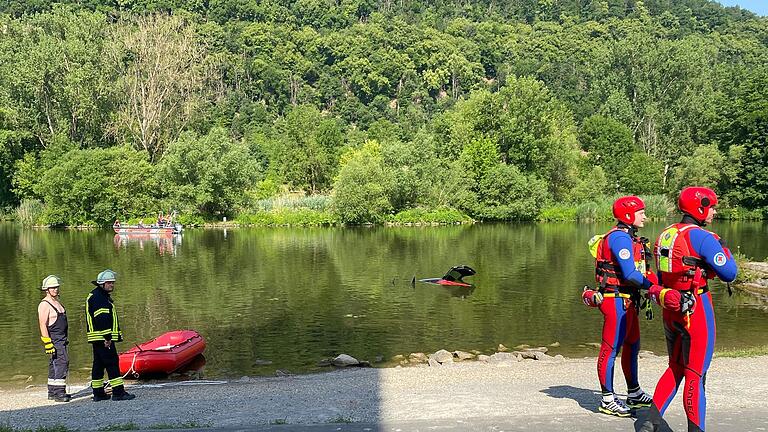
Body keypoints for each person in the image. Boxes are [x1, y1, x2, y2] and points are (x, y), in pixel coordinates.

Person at [640, 187, 737, 432]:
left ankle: (650, 421)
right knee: (695, 374)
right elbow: (730, 273)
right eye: (712, 207)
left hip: (670, 307)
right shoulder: (704, 238)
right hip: (696, 311)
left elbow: (662, 274)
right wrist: (723, 247)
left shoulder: (665, 234)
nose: (714, 211)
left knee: (675, 366)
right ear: (700, 207)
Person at [582, 196, 657, 416]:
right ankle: (607, 399)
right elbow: (631, 274)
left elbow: (640, 271)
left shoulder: (631, 238)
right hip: (615, 300)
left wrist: (657, 282)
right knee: (611, 348)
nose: (645, 216)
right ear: (627, 215)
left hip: (629, 300)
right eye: (641, 212)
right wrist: (656, 288)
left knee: (633, 345)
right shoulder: (619, 239)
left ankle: (633, 393)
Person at [85, 269, 136, 401]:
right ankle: (118, 392)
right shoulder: (99, 298)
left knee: (99, 364)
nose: (112, 285)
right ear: (101, 284)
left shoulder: (96, 295)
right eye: (109, 283)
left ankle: (98, 393)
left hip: (97, 337)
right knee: (112, 362)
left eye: (112, 283)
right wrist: (107, 337)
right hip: (103, 338)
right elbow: (102, 318)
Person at [38, 275, 70, 402]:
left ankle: (52, 391)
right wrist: (47, 343)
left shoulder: (57, 302)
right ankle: (59, 393)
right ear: (47, 289)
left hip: (62, 338)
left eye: (57, 287)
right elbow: (42, 324)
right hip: (54, 339)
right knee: (62, 362)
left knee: (54, 364)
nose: (56, 289)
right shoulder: (44, 305)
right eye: (53, 287)